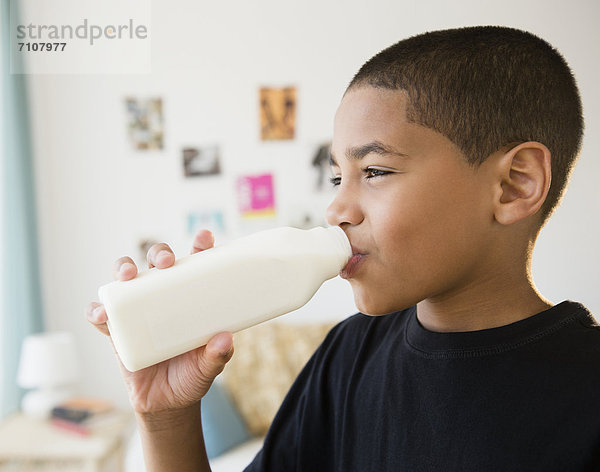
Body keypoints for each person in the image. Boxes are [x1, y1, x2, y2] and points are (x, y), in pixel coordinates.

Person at [86, 26, 600, 471]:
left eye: (374, 171)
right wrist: (165, 417)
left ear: (514, 185)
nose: (335, 210)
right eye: (337, 176)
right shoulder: (349, 354)